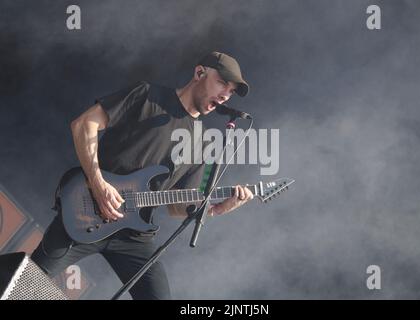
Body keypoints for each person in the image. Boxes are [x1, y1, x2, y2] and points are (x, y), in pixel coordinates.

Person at [31, 51, 254, 300]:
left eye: (231, 91)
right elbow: (84, 124)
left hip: (134, 237)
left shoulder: (201, 143)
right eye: (223, 82)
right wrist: (98, 184)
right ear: (199, 73)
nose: (226, 94)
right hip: (86, 211)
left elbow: (178, 207)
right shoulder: (147, 95)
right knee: (22, 285)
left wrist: (218, 209)